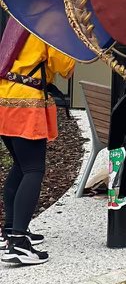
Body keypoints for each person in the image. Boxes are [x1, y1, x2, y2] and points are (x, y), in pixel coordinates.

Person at [0, 25, 75, 266]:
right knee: (33, 169)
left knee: (21, 167)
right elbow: (65, 67)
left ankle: (10, 230)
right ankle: (19, 243)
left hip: (4, 97)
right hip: (26, 102)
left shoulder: (19, 20)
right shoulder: (47, 26)